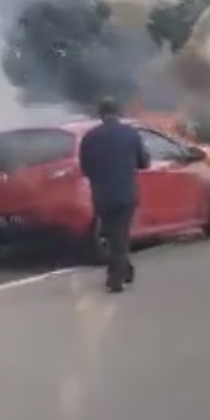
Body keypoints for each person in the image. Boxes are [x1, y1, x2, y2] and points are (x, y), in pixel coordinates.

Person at [78, 97, 150, 293]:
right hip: (126, 192)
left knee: (113, 234)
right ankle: (116, 277)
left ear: (100, 114)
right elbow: (144, 162)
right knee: (120, 234)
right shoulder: (130, 133)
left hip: (102, 194)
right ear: (118, 112)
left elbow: (84, 168)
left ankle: (123, 270)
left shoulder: (90, 137)